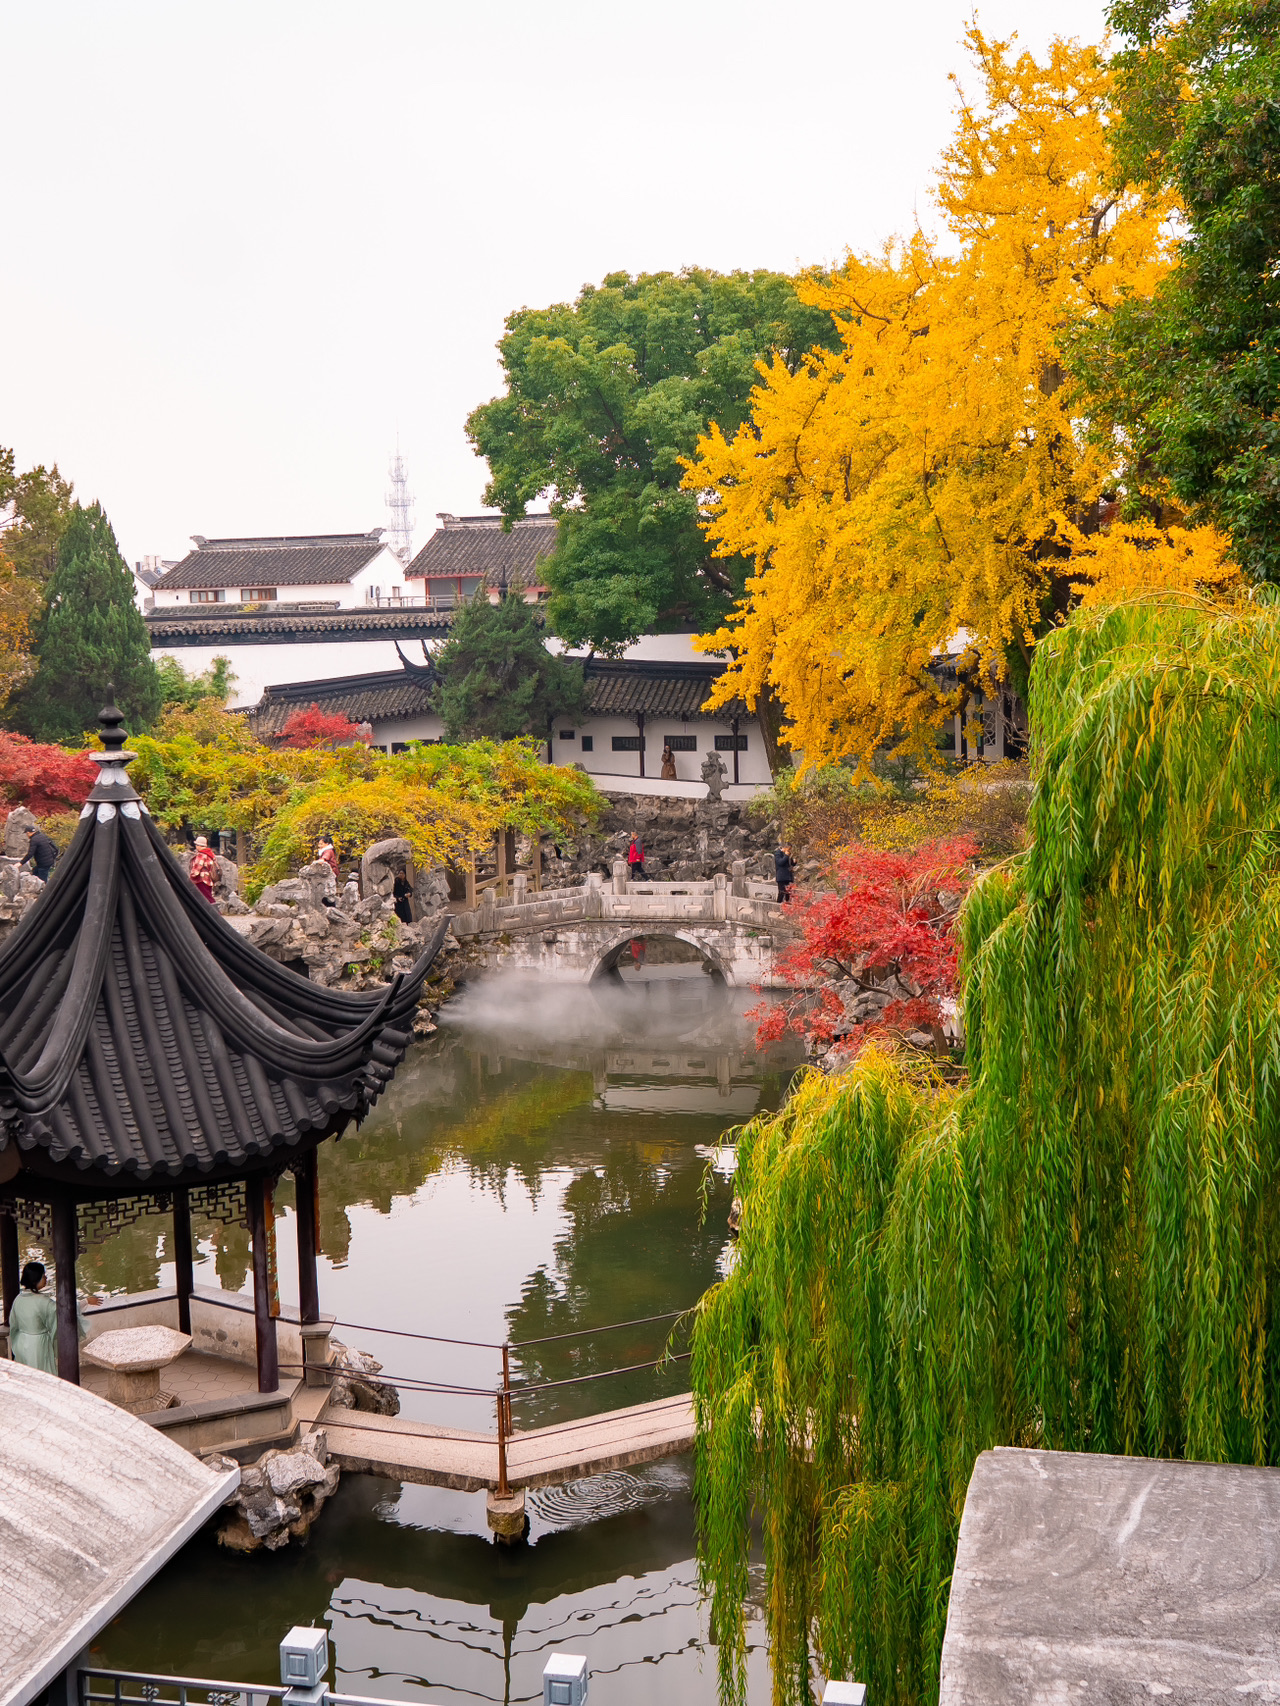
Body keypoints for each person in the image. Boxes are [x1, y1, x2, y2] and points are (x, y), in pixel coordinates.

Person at [8, 1261, 58, 1373]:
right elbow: (62, 1312)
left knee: (25, 1375)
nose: (46, 1278)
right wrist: (85, 1302)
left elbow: (13, 1324)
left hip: (21, 1342)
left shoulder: (18, 1299)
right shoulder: (43, 1301)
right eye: (43, 1276)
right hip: (38, 1345)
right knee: (41, 1374)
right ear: (36, 1279)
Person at [189, 835, 218, 902]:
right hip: (209, 879)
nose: (196, 846)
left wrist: (191, 877)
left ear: (199, 845)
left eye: (196, 844)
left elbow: (197, 867)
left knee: (207, 899)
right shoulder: (210, 854)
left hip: (201, 880)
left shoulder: (201, 855)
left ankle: (215, 912)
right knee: (208, 896)